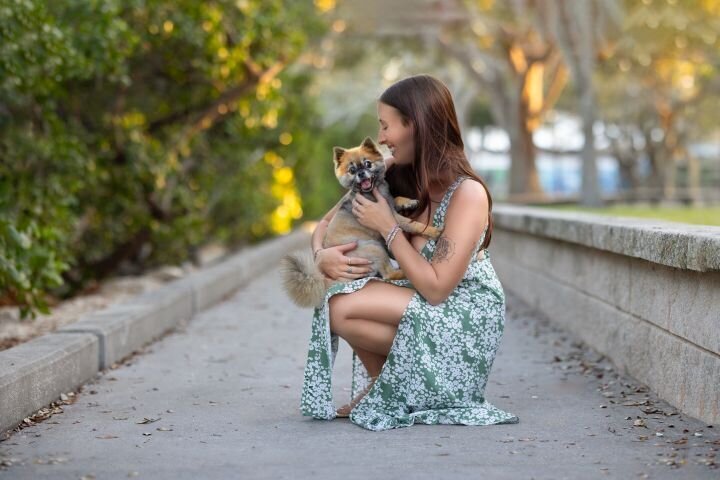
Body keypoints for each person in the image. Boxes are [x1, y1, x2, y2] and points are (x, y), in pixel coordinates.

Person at [300, 74, 519, 431]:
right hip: (422, 304)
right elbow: (325, 224)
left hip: (461, 315)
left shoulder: (468, 194)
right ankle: (384, 387)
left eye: (386, 126)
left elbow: (436, 289)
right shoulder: (390, 171)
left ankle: (393, 389)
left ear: (414, 125)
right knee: (332, 297)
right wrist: (321, 256)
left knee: (342, 304)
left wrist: (388, 225)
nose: (382, 138)